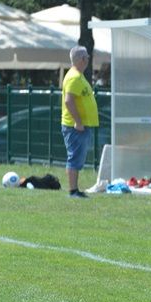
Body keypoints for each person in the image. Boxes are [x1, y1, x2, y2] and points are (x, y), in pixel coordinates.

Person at [61, 46, 98, 198]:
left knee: (77, 157)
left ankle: (75, 189)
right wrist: (78, 122)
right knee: (75, 157)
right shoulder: (74, 77)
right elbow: (69, 101)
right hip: (75, 126)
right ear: (82, 59)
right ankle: (73, 191)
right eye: (87, 57)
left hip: (81, 125)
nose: (88, 60)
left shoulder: (78, 75)